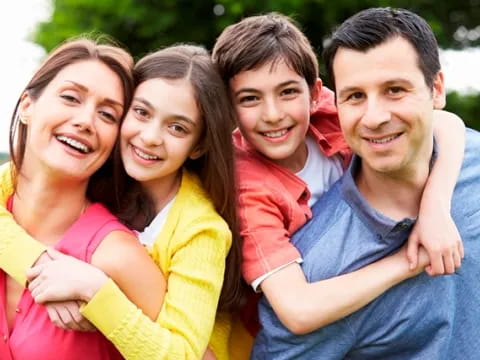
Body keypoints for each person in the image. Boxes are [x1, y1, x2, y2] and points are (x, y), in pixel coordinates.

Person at [212, 11, 465, 343]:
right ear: (227, 108)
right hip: (299, 328)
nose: (272, 115)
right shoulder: (246, 187)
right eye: (249, 99)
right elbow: (297, 311)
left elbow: (444, 122)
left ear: (315, 93)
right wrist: (409, 260)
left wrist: (435, 209)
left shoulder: (334, 111)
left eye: (287, 92)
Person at [0, 44, 243, 360]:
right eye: (141, 113)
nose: (151, 136)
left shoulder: (197, 229)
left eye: (178, 127)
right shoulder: (93, 179)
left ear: (197, 147)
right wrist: (43, 269)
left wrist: (97, 293)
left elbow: (189, 354)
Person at [0, 38, 166, 360]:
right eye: (70, 98)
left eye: (107, 115)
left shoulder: (118, 256)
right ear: (26, 107)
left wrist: (103, 299)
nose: (86, 121)